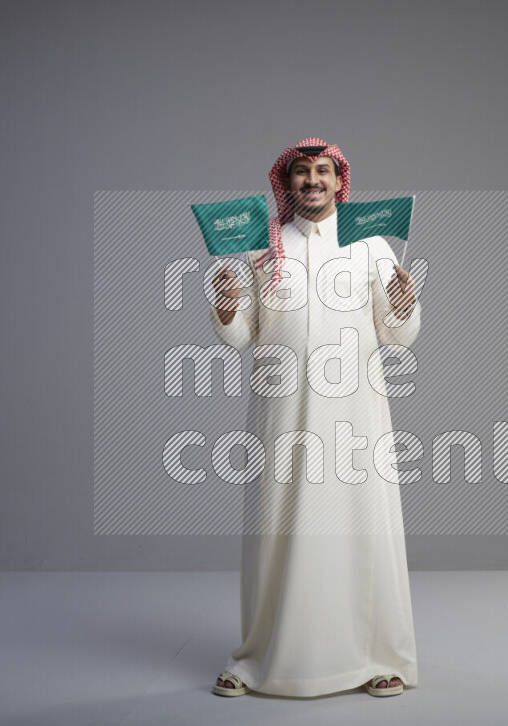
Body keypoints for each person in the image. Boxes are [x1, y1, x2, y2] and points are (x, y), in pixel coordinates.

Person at [209, 137, 421, 698]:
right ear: (288, 182)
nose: (312, 181)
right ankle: (258, 658)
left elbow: (398, 336)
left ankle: (376, 657)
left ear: (339, 181)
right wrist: (227, 308)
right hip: (281, 414)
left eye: (322, 171)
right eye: (302, 172)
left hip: (356, 414)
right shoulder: (259, 248)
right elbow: (241, 336)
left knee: (358, 526)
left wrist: (404, 303)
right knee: (276, 527)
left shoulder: (371, 246)